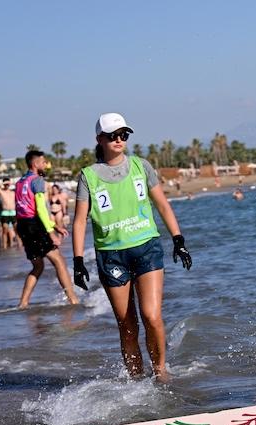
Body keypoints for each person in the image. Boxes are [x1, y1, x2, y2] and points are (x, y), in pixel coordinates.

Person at [72, 112, 193, 383]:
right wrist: (78, 261)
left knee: (151, 316)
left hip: (146, 248)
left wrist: (178, 240)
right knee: (127, 326)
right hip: (111, 256)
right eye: (112, 135)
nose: (119, 140)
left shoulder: (141, 166)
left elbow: (162, 205)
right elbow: (79, 221)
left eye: (123, 135)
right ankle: (136, 381)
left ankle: (160, 372)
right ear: (99, 139)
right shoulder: (88, 176)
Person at [14, 150, 79, 308]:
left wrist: (54, 225)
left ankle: (23, 303)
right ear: (35, 164)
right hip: (34, 225)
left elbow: (24, 208)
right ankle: (73, 300)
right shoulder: (37, 180)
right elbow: (41, 208)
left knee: (38, 266)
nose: (45, 165)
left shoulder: (20, 182)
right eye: (43, 162)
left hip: (22, 225)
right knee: (59, 261)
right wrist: (51, 232)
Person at [0, 178, 19, 248]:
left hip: (13, 212)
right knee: (5, 231)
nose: (7, 185)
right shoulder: (1, 192)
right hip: (5, 213)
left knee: (17, 231)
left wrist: (10, 182)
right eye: (5, 184)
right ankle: (4, 247)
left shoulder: (13, 192)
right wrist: (1, 183)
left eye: (8, 184)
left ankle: (19, 247)